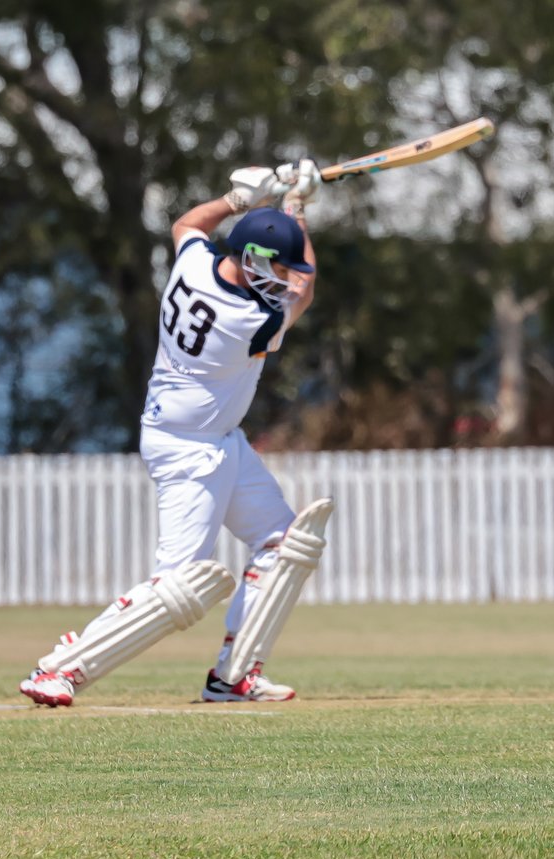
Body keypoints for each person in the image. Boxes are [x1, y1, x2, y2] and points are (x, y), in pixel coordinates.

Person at [20, 160, 333, 706]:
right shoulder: (248, 320)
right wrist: (298, 206)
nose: (282, 278)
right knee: (178, 585)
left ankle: (234, 676)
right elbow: (305, 288)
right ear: (256, 261)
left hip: (216, 439)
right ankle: (62, 669)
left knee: (285, 546)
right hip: (190, 452)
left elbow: (187, 223)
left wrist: (240, 201)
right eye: (275, 268)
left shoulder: (192, 266)